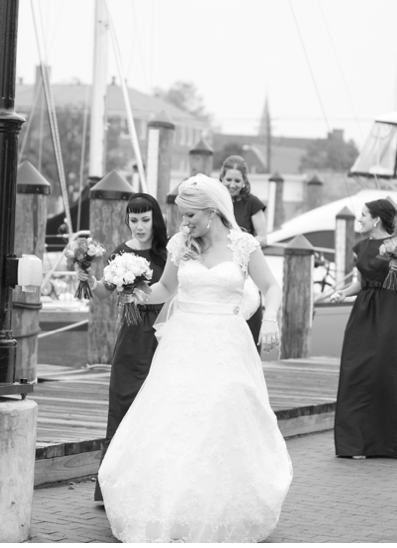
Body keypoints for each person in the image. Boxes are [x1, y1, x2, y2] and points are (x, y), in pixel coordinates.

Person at [97, 174, 292, 542]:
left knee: (220, 415)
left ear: (213, 212)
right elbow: (166, 289)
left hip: (226, 343)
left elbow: (271, 287)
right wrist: (134, 291)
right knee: (176, 420)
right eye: (182, 216)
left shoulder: (243, 245)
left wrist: (272, 319)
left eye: (190, 216)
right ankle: (172, 507)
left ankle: (220, 509)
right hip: (183, 341)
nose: (184, 223)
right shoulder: (179, 244)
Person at [76, 193, 168, 502]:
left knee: (158, 409)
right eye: (133, 220)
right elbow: (103, 293)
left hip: (164, 335)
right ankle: (110, 490)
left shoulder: (168, 253)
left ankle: (152, 487)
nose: (139, 226)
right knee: (122, 406)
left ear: (155, 219)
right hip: (131, 338)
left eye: (145, 219)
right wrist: (87, 278)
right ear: (126, 220)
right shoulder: (122, 252)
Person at [328, 199, 397, 459]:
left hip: (389, 312)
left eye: (363, 215)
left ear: (376, 219)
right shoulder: (361, 246)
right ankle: (354, 443)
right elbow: (362, 282)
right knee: (356, 371)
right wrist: (343, 293)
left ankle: (385, 443)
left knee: (382, 374)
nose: (360, 219)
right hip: (363, 313)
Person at [219, 155, 267, 347]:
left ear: (244, 181)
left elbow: (263, 236)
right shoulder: (215, 202)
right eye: (228, 179)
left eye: (237, 180)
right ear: (221, 178)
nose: (232, 184)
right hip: (219, 264)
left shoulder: (252, 203)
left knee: (248, 321)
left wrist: (243, 245)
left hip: (244, 268)